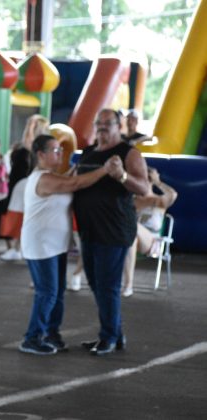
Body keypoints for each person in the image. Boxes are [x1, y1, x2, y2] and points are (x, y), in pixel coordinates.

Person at [18, 135, 123, 355]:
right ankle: (32, 338)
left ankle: (51, 333)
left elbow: (69, 179)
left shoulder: (54, 176)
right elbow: (74, 184)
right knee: (47, 292)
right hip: (41, 244)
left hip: (56, 244)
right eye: (55, 151)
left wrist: (76, 169)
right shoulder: (42, 178)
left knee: (57, 291)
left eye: (60, 150)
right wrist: (105, 170)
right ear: (41, 154)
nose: (60, 154)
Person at [74, 108, 149, 356]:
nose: (103, 126)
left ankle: (108, 337)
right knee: (96, 284)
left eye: (108, 122)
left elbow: (144, 188)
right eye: (99, 122)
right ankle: (115, 335)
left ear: (119, 126)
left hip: (114, 230)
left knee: (107, 286)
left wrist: (122, 175)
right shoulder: (88, 152)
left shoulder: (129, 153)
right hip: (88, 228)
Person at [122, 167, 178, 297]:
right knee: (131, 237)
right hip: (130, 239)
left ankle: (126, 284)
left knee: (132, 227)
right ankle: (128, 285)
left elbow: (173, 195)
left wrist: (158, 182)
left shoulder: (159, 200)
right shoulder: (132, 201)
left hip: (153, 243)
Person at [1, 114, 49, 261]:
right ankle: (16, 247)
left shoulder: (39, 145)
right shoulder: (24, 147)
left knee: (24, 215)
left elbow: (28, 142)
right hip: (18, 182)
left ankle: (19, 247)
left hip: (26, 183)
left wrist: (31, 124)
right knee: (18, 215)